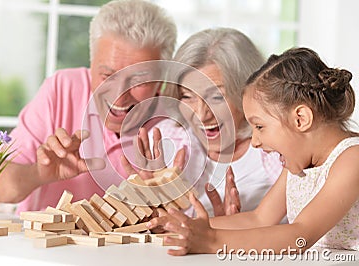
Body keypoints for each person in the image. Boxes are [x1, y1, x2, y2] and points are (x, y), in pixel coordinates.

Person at [147, 47, 359, 255]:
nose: (255, 142)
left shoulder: (352, 159)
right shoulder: (300, 164)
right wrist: (183, 226)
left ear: (300, 119)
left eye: (259, 127)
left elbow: (300, 236)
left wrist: (210, 241)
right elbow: (258, 219)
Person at [0, 0, 178, 213]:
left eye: (138, 81)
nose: (118, 96)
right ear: (91, 65)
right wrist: (38, 173)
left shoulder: (177, 127)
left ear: (162, 79)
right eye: (107, 76)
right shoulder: (62, 90)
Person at [144, 28, 282, 217]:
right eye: (187, 96)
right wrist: (151, 211)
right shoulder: (165, 142)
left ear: (248, 93)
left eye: (216, 97)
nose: (201, 114)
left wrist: (224, 231)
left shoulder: (279, 150)